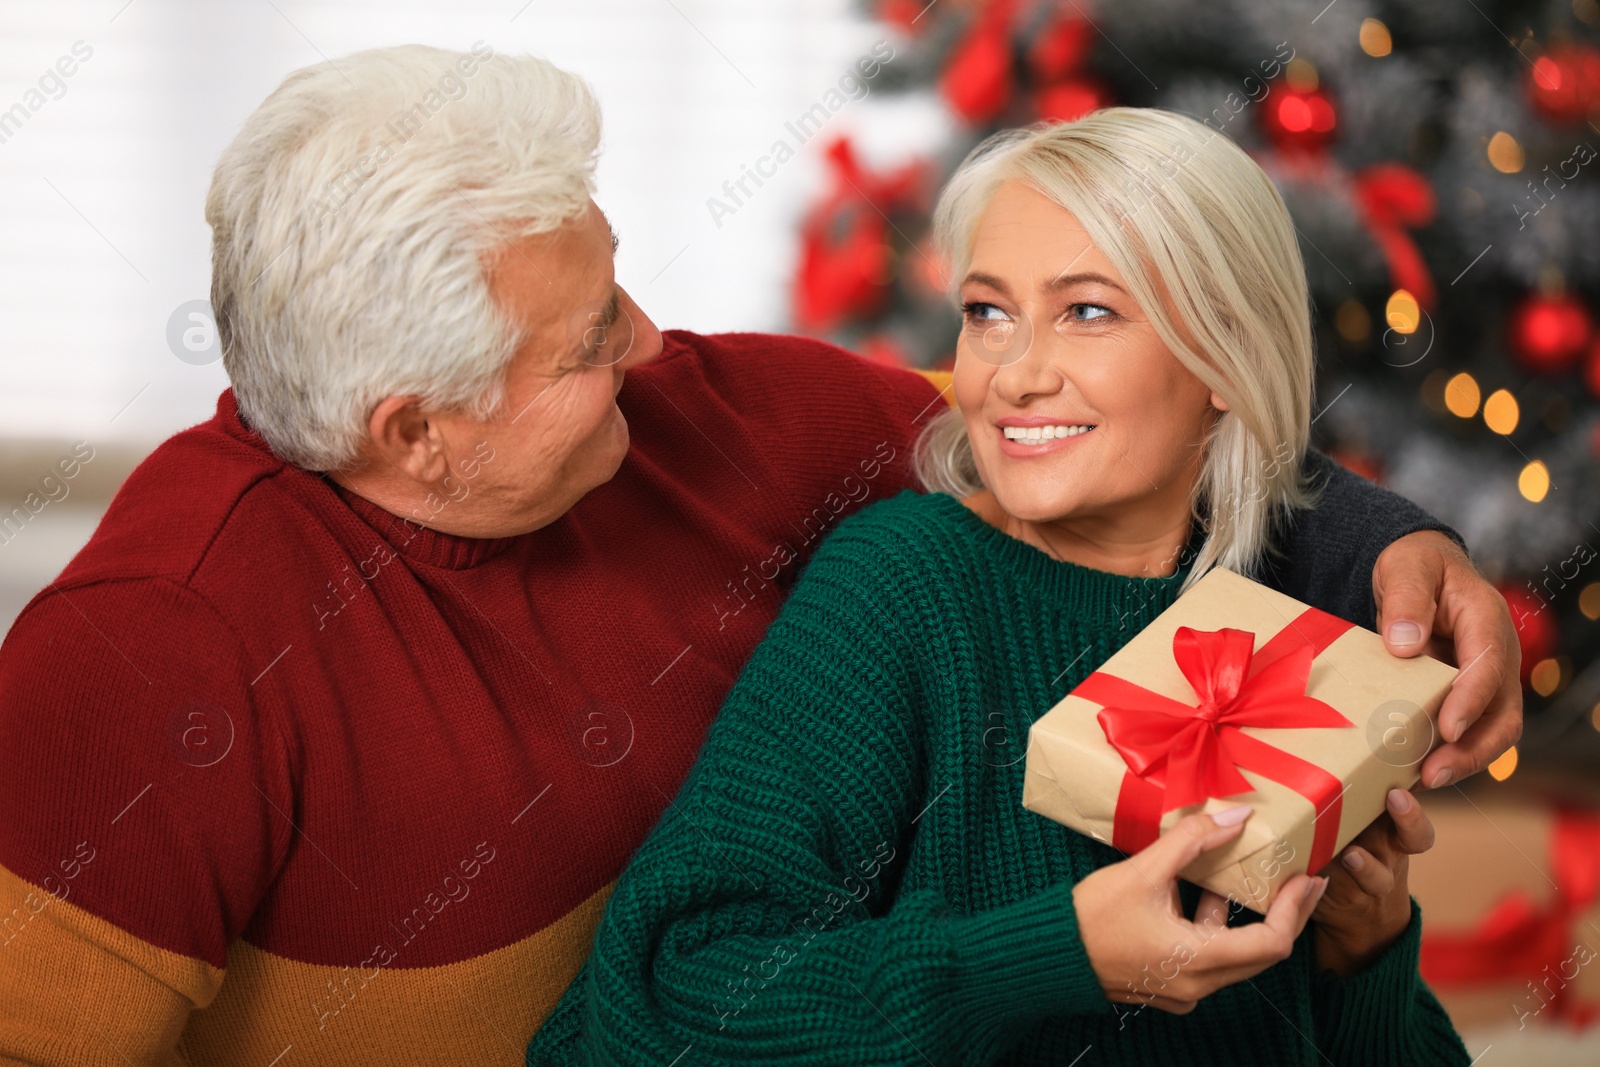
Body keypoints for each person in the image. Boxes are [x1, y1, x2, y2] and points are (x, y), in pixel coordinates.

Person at [0, 48, 1511, 1065]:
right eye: (592, 342)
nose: (657, 345)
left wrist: (1403, 540)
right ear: (418, 432)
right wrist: (1052, 954)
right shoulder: (152, 654)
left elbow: (1107, 448)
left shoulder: (732, 416)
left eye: (618, 291)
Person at [525, 110, 1473, 1066]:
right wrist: (1052, 959)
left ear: (1223, 356)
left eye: (1088, 311)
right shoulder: (898, 588)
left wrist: (1368, 951)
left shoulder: (1284, 606)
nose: (1014, 375)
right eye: (987, 312)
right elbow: (668, 994)